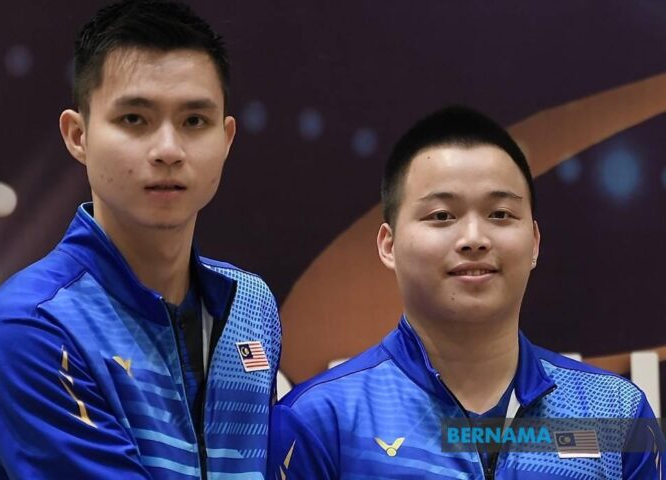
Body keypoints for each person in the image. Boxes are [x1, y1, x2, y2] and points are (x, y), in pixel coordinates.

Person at [0, 1, 280, 478]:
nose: (168, 150)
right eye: (134, 119)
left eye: (194, 121)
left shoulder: (252, 305)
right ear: (78, 135)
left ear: (227, 139)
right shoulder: (28, 329)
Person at [269, 106, 662, 479]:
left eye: (500, 214)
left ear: (535, 242)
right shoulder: (320, 420)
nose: (474, 238)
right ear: (389, 245)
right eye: (442, 215)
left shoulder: (616, 413)